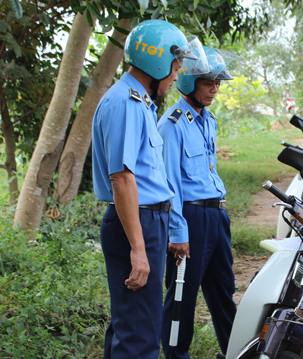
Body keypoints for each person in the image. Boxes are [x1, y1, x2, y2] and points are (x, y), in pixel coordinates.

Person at [92, 19, 207, 359]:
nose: (176, 76)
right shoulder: (127, 104)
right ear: (157, 62)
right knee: (139, 336)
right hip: (137, 223)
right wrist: (138, 249)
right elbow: (122, 179)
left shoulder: (138, 101)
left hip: (146, 221)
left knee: (131, 324)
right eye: (175, 67)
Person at [158, 47, 237, 359]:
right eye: (208, 82)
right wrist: (178, 232)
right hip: (191, 217)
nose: (214, 89)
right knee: (182, 294)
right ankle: (177, 355)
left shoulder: (209, 120)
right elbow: (169, 185)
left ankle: (237, 351)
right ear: (189, 82)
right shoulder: (172, 124)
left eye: (218, 83)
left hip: (217, 215)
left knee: (223, 291)